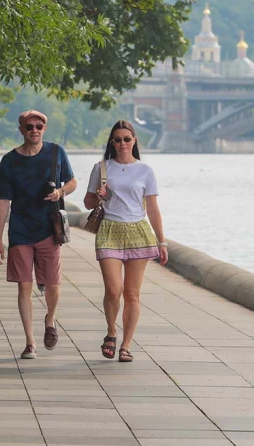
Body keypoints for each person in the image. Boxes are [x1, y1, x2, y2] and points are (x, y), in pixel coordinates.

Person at [0, 109, 77, 360]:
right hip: (20, 230)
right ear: (21, 129)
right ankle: (30, 342)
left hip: (49, 228)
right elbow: (2, 201)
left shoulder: (56, 152)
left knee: (53, 284)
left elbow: (72, 182)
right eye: (29, 127)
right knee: (24, 286)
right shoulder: (9, 161)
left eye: (39, 126)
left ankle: (50, 319)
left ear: (45, 129)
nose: (34, 131)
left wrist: (60, 192)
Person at [83, 120, 168, 363]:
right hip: (109, 230)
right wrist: (98, 196)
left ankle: (126, 345)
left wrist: (162, 242)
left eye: (127, 139)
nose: (122, 144)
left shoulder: (145, 171)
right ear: (112, 142)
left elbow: (153, 208)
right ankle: (111, 332)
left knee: (132, 293)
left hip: (138, 231)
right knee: (113, 289)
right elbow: (88, 203)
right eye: (118, 140)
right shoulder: (101, 168)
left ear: (134, 141)